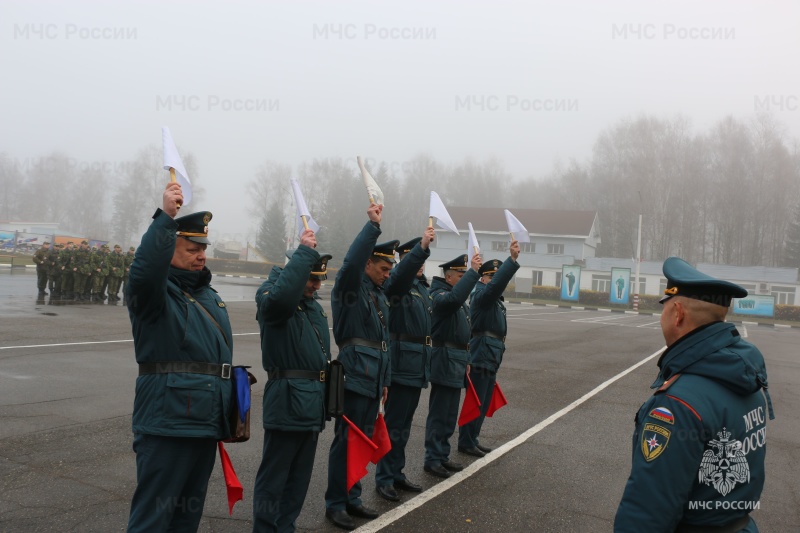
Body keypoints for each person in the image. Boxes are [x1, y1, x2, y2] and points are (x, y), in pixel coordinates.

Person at [615, 257, 773, 532]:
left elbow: (648, 511)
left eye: (664, 308)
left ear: (677, 313)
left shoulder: (676, 405)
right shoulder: (746, 378)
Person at [126, 182, 234, 532]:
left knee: (186, 518)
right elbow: (144, 272)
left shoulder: (207, 295)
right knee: (153, 520)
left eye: (203, 248)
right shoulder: (154, 295)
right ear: (168, 248)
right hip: (167, 424)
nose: (201, 255)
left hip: (205, 422)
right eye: (192, 249)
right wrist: (165, 219)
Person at [324, 203, 399, 530]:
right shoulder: (350, 289)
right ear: (368, 263)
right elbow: (350, 263)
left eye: (389, 270)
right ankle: (335, 503)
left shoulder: (379, 296)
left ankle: (353, 497)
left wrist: (385, 380)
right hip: (354, 376)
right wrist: (372, 228)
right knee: (346, 442)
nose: (387, 274)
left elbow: (383, 343)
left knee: (362, 441)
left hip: (373, 378)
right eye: (382, 268)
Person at [252, 231, 332, 533]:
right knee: (275, 477)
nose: (316, 285)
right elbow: (280, 302)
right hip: (287, 400)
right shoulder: (272, 296)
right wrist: (304, 253)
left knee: (299, 478)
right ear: (295, 271)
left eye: (319, 279)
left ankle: (286, 527)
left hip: (312, 401)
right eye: (311, 278)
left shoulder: (312, 305)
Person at [375, 229, 435, 502]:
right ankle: (385, 477)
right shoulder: (397, 285)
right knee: (394, 423)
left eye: (421, 260)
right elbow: (399, 277)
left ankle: (396, 472)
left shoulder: (421, 288)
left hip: (416, 365)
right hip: (401, 365)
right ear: (404, 260)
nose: (420, 264)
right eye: (414, 259)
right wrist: (421, 249)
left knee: (404, 425)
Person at [458, 242, 520, 458]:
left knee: (483, 403)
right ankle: (466, 441)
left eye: (496, 276)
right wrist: (511, 261)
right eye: (491, 276)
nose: (494, 280)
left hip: (491, 355)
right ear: (483, 278)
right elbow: (495, 288)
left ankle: (472, 438)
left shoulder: (495, 301)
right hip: (481, 354)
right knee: (475, 401)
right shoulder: (481, 296)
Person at [423, 252, 481, 478]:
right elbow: (453, 300)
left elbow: (464, 335)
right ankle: (432, 458)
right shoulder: (439, 295)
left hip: (456, 360)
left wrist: (467, 359)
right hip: (444, 360)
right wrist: (474, 273)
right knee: (439, 413)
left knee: (449, 414)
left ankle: (442, 454)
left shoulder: (455, 297)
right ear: (448, 277)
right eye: (461, 275)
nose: (464, 278)